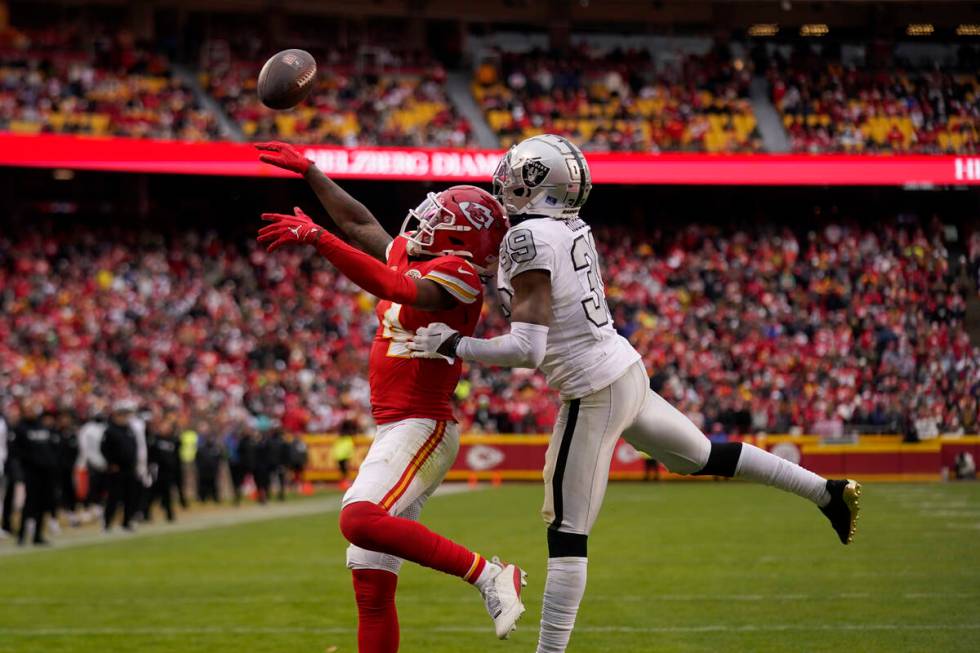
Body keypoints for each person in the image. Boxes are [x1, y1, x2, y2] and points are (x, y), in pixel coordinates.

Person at [409, 134, 863, 653]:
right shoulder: (566, 227)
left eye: (519, 174)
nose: (507, 180)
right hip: (624, 371)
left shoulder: (528, 239)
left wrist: (455, 344)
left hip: (593, 389)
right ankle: (828, 492)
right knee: (703, 457)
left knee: (566, 529)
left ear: (537, 185)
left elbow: (528, 350)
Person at [257, 140, 526, 648]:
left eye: (437, 219)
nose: (422, 223)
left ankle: (488, 574)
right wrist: (312, 172)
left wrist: (318, 239)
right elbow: (361, 225)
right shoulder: (425, 254)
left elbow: (396, 288)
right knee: (370, 581)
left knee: (359, 519)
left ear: (461, 239)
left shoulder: (461, 274)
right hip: (397, 425)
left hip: (422, 423)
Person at [15, 404, 59, 546]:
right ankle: (21, 536)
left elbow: (51, 448)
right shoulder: (20, 428)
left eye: (32, 410)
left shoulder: (43, 426)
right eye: (27, 410)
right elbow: (17, 452)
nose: (30, 413)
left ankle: (38, 535)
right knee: (29, 505)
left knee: (43, 504)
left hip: (46, 472)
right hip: (31, 472)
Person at [101, 401, 140, 532]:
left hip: (129, 467)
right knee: (114, 497)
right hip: (116, 469)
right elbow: (104, 449)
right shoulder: (110, 431)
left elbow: (134, 448)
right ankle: (107, 523)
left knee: (130, 496)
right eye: (122, 415)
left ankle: (126, 522)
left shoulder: (129, 430)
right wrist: (111, 463)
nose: (125, 418)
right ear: (116, 416)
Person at [147, 415, 181, 522]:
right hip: (157, 472)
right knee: (153, 495)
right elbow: (151, 455)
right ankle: (145, 514)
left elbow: (176, 456)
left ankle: (170, 515)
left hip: (168, 472)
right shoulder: (155, 440)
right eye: (164, 426)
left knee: (167, 495)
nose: (165, 428)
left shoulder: (174, 440)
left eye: (167, 426)